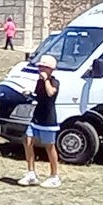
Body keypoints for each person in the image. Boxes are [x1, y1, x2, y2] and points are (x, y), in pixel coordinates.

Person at [20, 55, 63, 189]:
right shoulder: (38, 82)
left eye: (43, 67)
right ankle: (31, 173)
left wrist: (45, 80)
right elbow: (40, 96)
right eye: (39, 67)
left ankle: (54, 176)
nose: (40, 69)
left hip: (48, 119)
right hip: (36, 117)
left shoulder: (54, 82)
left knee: (49, 147)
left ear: (50, 69)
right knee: (28, 140)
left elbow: (51, 93)